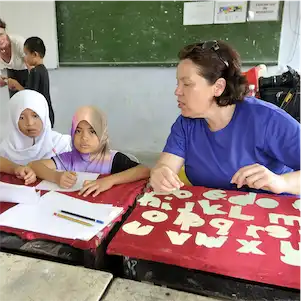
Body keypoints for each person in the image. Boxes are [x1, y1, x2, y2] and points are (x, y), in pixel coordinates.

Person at [150, 40, 301, 196]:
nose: (177, 91)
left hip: (273, 214)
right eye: (178, 83)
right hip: (215, 214)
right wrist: (160, 174)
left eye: (187, 84)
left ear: (218, 87)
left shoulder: (268, 120)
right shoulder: (186, 123)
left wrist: (281, 182)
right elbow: (166, 167)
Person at [30, 106, 150, 197]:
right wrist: (56, 176)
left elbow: (144, 170)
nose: (84, 138)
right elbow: (34, 165)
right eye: (78, 131)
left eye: (92, 131)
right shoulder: (68, 158)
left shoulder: (111, 158)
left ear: (102, 134)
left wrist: (109, 181)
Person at [0, 90, 71, 166]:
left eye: (35, 116)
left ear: (44, 115)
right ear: (14, 120)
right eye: (22, 118)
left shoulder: (60, 144)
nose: (30, 123)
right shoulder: (6, 149)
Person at [6, 37, 55, 128]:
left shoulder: (34, 72)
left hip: (39, 114)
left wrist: (16, 84)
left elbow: (30, 95)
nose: (25, 57)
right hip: (47, 113)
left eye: (26, 54)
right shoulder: (43, 70)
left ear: (35, 54)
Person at [0, 18, 28, 97]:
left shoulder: (19, 42)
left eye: (0, 35)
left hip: (27, 72)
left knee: (28, 100)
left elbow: (32, 67)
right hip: (11, 73)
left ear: (5, 32)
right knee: (15, 101)